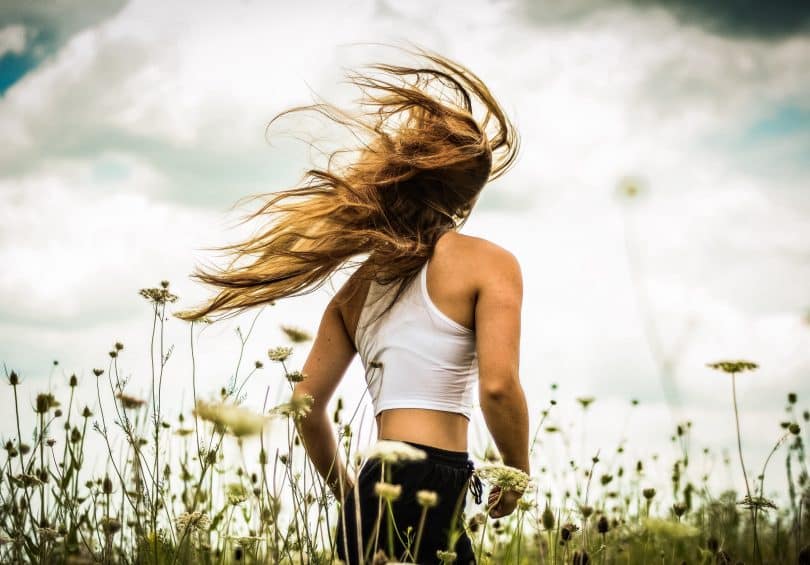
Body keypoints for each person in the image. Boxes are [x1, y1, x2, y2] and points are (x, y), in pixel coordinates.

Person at [176, 44, 530, 564]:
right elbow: (498, 387)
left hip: (376, 487)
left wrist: (352, 496)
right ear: (468, 195)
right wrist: (517, 475)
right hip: (436, 479)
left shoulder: (354, 290)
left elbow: (305, 408)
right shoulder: (490, 262)